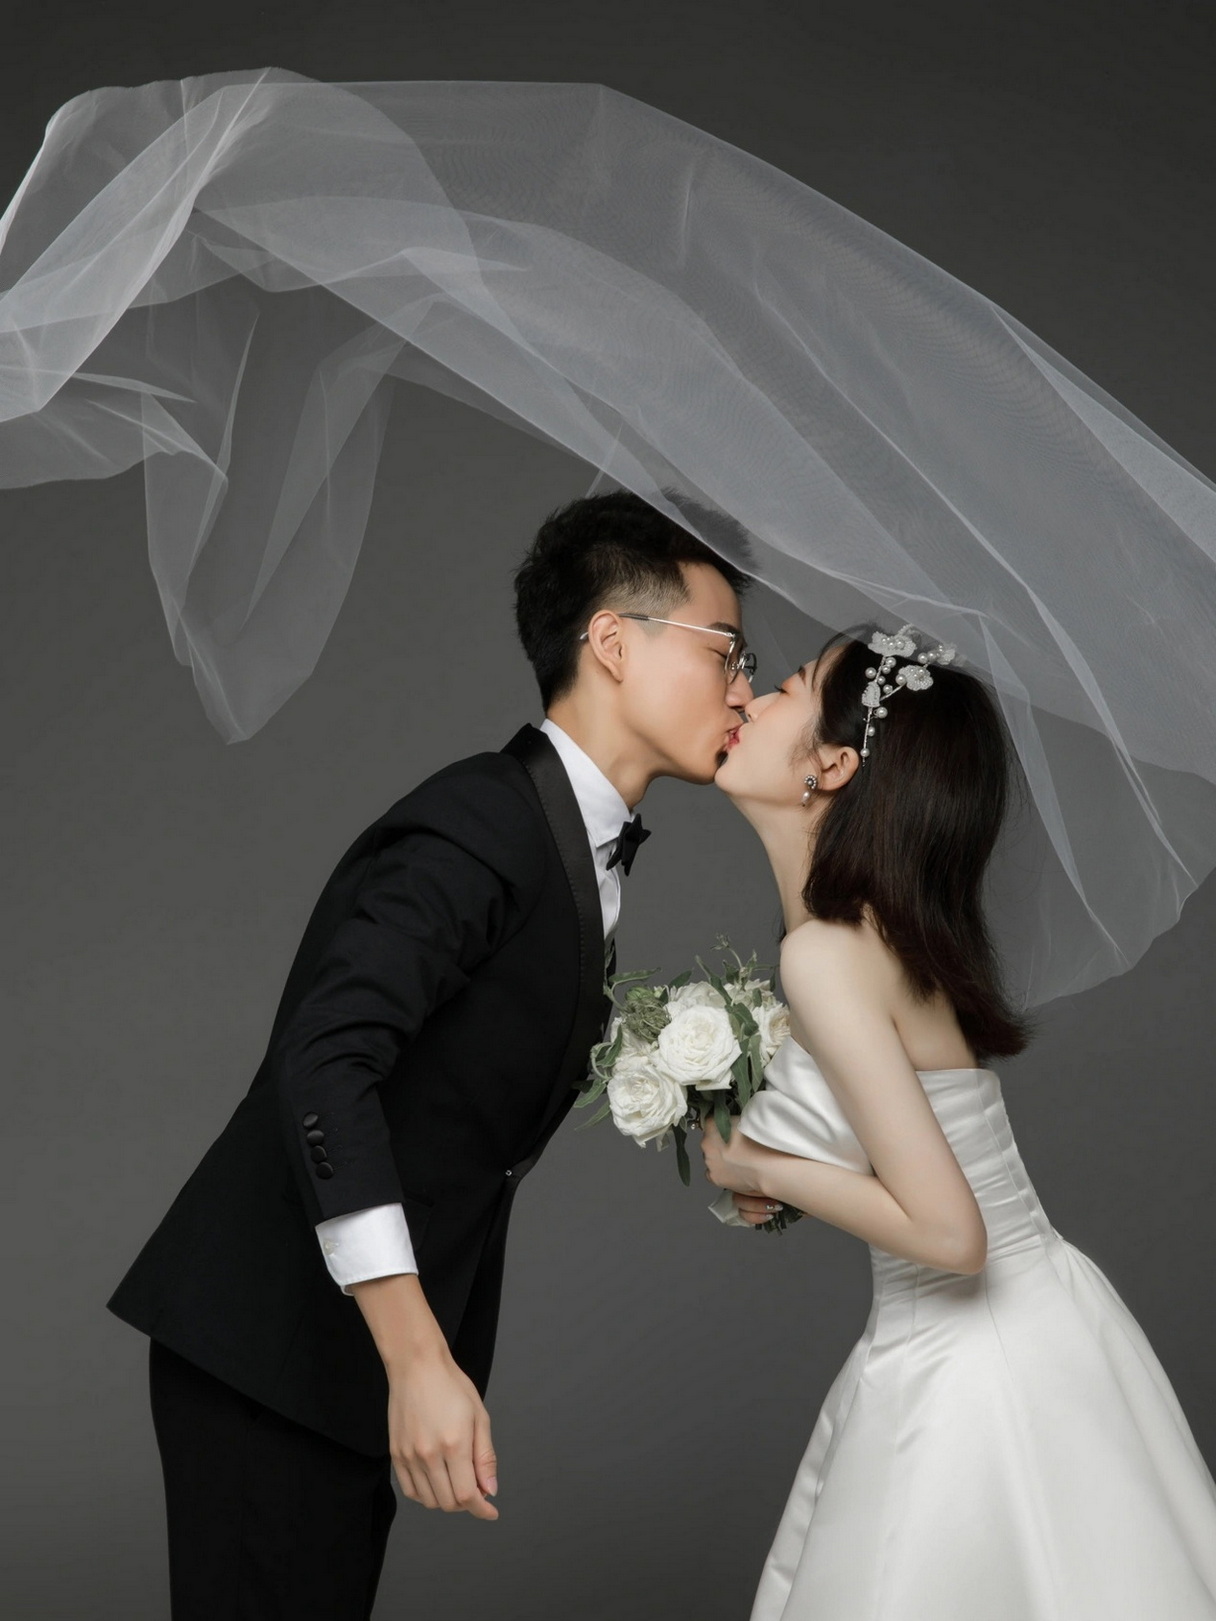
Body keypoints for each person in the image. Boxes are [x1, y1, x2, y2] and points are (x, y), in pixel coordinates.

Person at [105, 488, 755, 1620]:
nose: (744, 686)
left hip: (339, 1357)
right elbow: (324, 1061)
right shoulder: (486, 818)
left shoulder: (564, 836)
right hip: (273, 1348)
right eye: (725, 650)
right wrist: (416, 1357)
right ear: (612, 641)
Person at [701, 623, 1216, 1620]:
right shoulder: (875, 933)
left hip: (973, 1360)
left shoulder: (825, 954)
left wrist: (757, 1164)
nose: (749, 698)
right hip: (1042, 1320)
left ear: (832, 764)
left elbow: (951, 1236)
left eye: (786, 688)